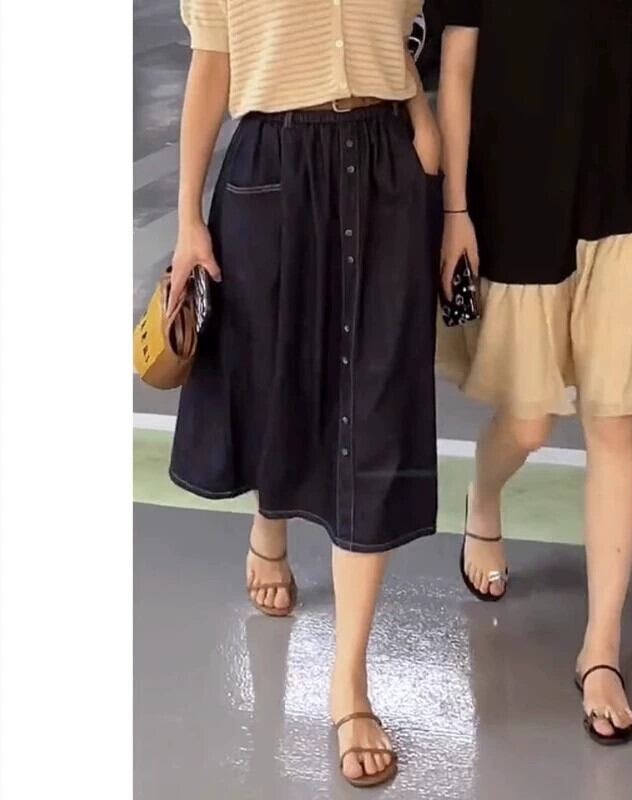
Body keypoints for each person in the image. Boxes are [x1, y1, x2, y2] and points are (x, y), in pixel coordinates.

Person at [168, 0, 443, 786]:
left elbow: (404, 36)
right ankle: (271, 521)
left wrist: (421, 123)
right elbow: (213, 62)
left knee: (378, 401)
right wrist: (188, 218)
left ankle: (348, 682)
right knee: (275, 379)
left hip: (386, 162)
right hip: (272, 166)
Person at [437, 0, 632, 744]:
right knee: (530, 420)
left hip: (623, 190)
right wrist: (455, 210)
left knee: (616, 423)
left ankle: (600, 649)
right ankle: (482, 493)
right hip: (516, 191)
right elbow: (458, 64)